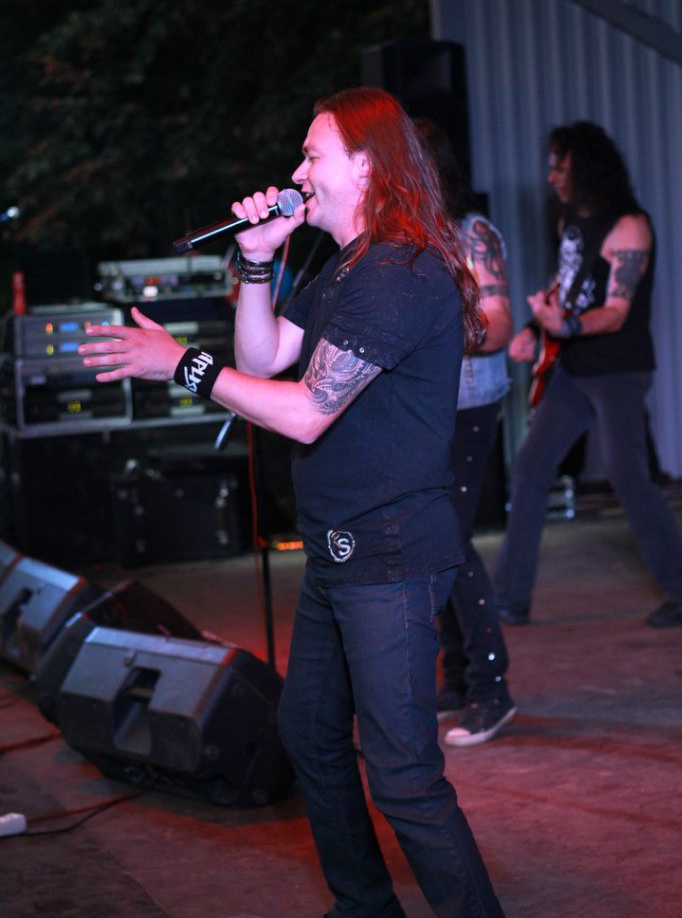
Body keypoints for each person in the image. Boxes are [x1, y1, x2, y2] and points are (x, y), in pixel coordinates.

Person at [80, 87, 506, 918]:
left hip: (390, 553)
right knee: (308, 731)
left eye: (312, 155)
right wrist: (255, 260)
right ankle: (364, 906)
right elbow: (266, 354)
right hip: (338, 549)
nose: (296, 171)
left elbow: (307, 411)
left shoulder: (403, 270)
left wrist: (181, 364)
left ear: (368, 165)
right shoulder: (346, 265)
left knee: (404, 777)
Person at [494, 120, 682, 629]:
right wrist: (536, 328)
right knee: (531, 468)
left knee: (627, 476)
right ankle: (510, 599)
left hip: (619, 369)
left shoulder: (630, 226)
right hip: (574, 369)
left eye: (561, 167)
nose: (552, 177)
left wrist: (567, 325)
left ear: (587, 167)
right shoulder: (568, 221)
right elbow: (567, 284)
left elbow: (617, 312)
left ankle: (679, 588)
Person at [417, 121, 516, 747]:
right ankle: (456, 677)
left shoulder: (471, 232)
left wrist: (435, 334)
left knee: (450, 539)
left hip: (470, 404)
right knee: (437, 539)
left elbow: (500, 323)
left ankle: (491, 688)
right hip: (430, 408)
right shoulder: (410, 235)